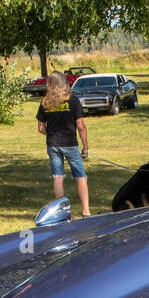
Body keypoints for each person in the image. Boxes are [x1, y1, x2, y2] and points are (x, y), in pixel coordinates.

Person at [36, 71, 91, 217]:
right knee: (80, 177)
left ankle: (63, 214)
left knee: (58, 177)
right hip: (70, 144)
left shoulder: (45, 102)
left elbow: (41, 128)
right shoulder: (73, 100)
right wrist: (85, 146)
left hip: (53, 145)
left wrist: (52, 133)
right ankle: (86, 211)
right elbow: (80, 125)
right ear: (64, 82)